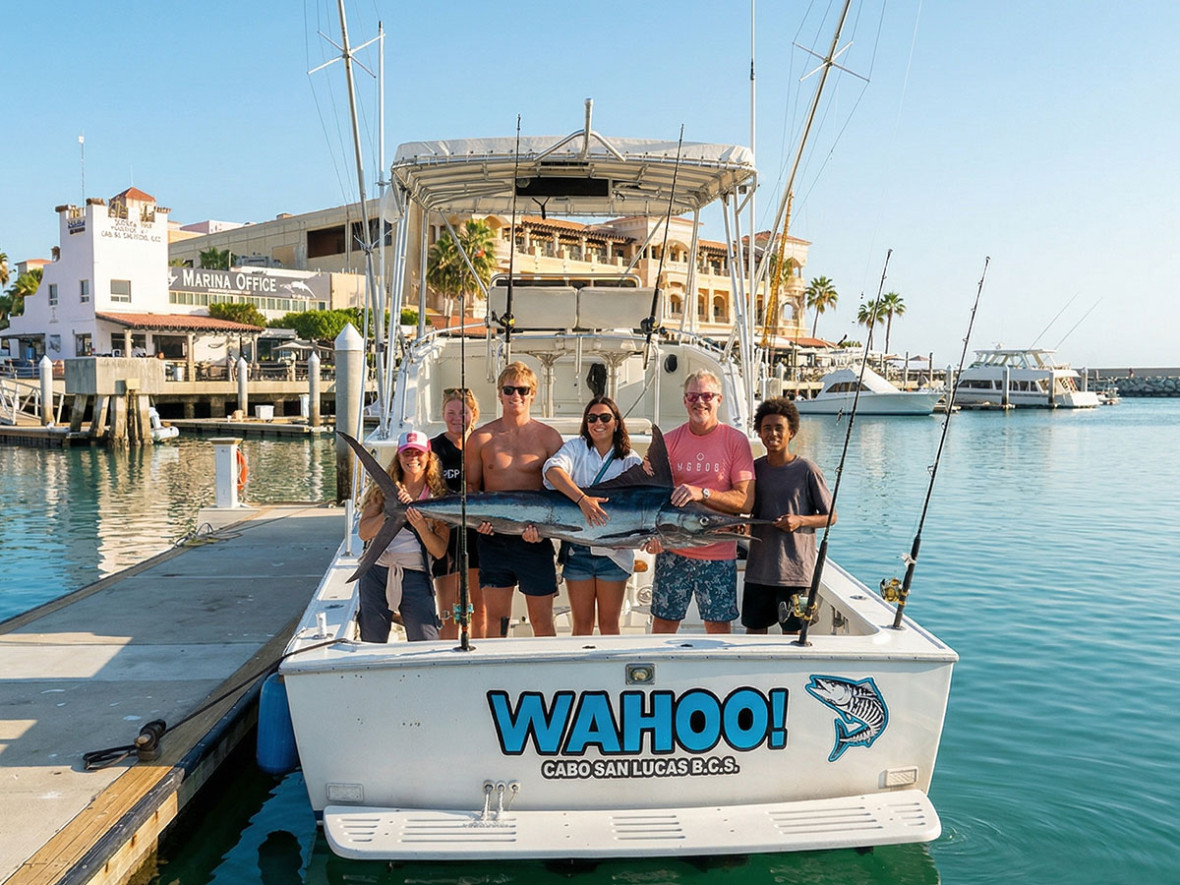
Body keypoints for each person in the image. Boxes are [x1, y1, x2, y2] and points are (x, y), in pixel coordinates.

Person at [644, 370, 754, 634]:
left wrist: (702, 493)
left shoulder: (735, 441)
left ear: (718, 400)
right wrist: (649, 537)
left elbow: (745, 502)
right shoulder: (668, 442)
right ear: (684, 401)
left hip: (717, 553)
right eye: (693, 395)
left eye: (706, 396)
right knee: (663, 623)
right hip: (672, 551)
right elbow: (646, 497)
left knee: (717, 627)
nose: (699, 402)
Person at [466, 362, 563, 637]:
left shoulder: (549, 438)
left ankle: (549, 675)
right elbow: (472, 488)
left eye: (522, 390)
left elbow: (561, 492)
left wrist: (544, 531)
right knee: (496, 620)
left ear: (533, 394)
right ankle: (494, 675)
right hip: (493, 540)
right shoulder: (480, 438)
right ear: (499, 394)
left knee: (542, 622)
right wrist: (477, 523)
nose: (515, 396)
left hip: (535, 541)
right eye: (509, 390)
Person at [543, 396, 643, 635]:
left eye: (605, 417)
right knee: (582, 625)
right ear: (586, 423)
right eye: (592, 418)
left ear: (617, 422)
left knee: (610, 625)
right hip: (579, 551)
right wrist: (582, 499)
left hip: (615, 554)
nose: (599, 422)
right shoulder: (576, 448)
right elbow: (552, 471)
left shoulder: (631, 460)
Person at [742, 397, 835, 634]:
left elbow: (831, 516)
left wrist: (799, 520)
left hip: (795, 574)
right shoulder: (754, 469)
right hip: (758, 572)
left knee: (792, 634)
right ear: (759, 433)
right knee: (754, 632)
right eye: (766, 428)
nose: (772, 433)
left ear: (791, 432)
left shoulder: (807, 470)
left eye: (778, 428)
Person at [356, 431, 450, 642]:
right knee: (372, 641)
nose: (412, 458)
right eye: (407, 453)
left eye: (418, 452)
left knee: (425, 641)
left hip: (415, 574)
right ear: (399, 457)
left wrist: (421, 526)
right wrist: (390, 513)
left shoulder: (437, 496)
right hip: (375, 572)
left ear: (428, 457)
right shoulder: (382, 491)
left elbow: (439, 550)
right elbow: (364, 533)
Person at [431, 387, 486, 639]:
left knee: (480, 608)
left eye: (462, 412)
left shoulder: (484, 446)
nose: (456, 418)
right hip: (445, 536)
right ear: (442, 414)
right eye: (450, 412)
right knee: (449, 610)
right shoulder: (432, 449)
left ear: (473, 414)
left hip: (480, 535)